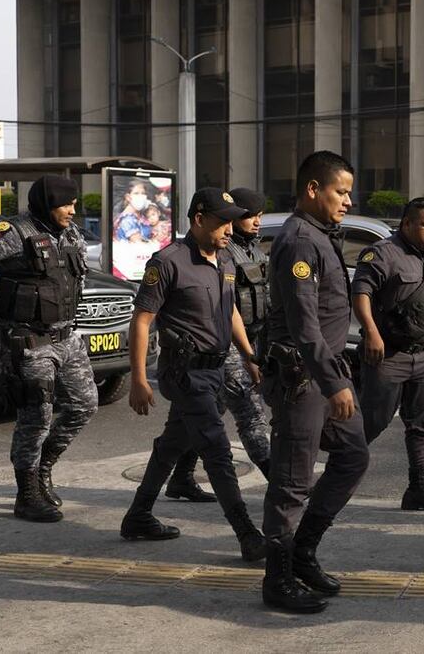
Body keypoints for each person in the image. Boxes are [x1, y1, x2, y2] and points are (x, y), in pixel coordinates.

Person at [120, 188, 266, 565]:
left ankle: (138, 516)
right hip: (184, 373)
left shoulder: (225, 261)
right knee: (217, 451)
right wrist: (138, 378)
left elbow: (230, 309)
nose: (229, 230)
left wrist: (249, 355)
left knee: (171, 445)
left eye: (233, 221)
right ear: (198, 219)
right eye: (222, 222)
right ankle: (248, 534)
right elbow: (142, 320)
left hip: (216, 369)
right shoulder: (168, 262)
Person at [259, 151, 369, 614]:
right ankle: (277, 579)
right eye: (340, 191)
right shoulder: (301, 240)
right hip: (302, 378)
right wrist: (333, 382)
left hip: (323, 372)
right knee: (291, 481)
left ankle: (302, 553)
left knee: (352, 455)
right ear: (312, 189)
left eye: (348, 192)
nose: (347, 200)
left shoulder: (321, 235)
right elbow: (305, 324)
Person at [0, 175, 97, 523]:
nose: (72, 210)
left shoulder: (71, 233)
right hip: (28, 342)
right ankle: (27, 494)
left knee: (84, 405)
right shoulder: (12, 232)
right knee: (36, 417)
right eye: (65, 204)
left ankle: (43, 468)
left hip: (67, 338)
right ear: (46, 203)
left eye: (73, 204)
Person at [165, 188, 273, 502]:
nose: (256, 222)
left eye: (259, 216)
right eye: (250, 216)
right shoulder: (220, 255)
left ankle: (180, 478)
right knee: (250, 414)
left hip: (247, 342)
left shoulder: (255, 252)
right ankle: (276, 480)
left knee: (199, 417)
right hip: (220, 346)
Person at [352, 197, 424, 511]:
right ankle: (337, 478)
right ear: (407, 223)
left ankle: (419, 488)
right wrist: (372, 333)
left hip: (423, 356)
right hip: (388, 356)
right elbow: (361, 293)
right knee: (372, 422)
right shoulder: (383, 253)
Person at [114, 179, 155, 243]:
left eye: (143, 193)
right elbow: (139, 244)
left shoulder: (140, 215)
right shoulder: (127, 220)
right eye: (136, 193)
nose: (140, 196)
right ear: (128, 197)